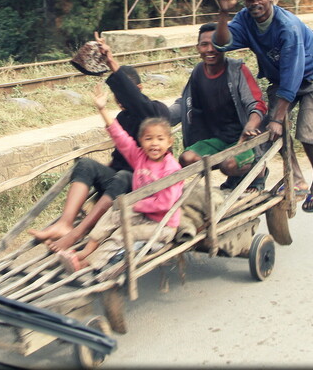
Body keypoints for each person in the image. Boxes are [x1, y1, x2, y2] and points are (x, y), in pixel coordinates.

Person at [29, 32, 171, 251]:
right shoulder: (122, 118)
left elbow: (137, 102)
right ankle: (65, 224)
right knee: (86, 165)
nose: (120, 100)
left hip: (147, 188)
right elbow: (116, 159)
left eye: (124, 94)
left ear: (138, 91)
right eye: (117, 95)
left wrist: (112, 63)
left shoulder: (156, 113)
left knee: (124, 175)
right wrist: (94, 173)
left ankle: (78, 232)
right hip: (120, 185)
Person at [214, 0, 313, 212]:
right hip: (282, 78)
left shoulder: (287, 27)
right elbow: (222, 43)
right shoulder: (244, 18)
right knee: (272, 132)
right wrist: (223, 13)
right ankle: (298, 178)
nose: (253, 3)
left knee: (307, 133)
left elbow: (293, 73)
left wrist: (278, 118)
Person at [57, 83, 182, 272]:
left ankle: (86, 264)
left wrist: (134, 205)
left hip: (161, 225)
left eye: (160, 139)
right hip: (141, 214)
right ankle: (85, 251)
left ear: (169, 142)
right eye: (148, 139)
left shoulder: (171, 168)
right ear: (141, 141)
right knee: (112, 216)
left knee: (122, 233)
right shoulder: (140, 156)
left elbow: (164, 203)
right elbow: (120, 137)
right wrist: (102, 109)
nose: (154, 144)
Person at [170, 22, 268, 190]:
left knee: (228, 164)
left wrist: (250, 126)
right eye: (204, 44)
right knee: (186, 159)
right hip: (217, 139)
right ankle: (235, 175)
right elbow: (186, 102)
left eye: (216, 44)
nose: (210, 49)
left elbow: (257, 104)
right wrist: (162, 115)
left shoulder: (237, 70)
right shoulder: (198, 73)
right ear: (198, 47)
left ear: (224, 46)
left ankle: (258, 171)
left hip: (243, 140)